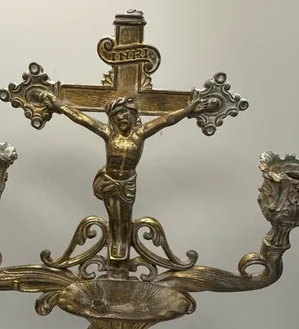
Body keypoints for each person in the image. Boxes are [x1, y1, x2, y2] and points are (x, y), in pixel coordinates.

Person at [41, 91, 211, 262]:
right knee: (114, 216)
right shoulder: (108, 133)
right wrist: (60, 106)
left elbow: (166, 120)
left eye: (124, 113)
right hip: (109, 180)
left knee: (125, 217)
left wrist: (188, 110)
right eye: (116, 115)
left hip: (127, 183)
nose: (121, 117)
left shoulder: (140, 134)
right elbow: (82, 119)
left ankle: (122, 241)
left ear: (132, 114)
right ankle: (116, 243)